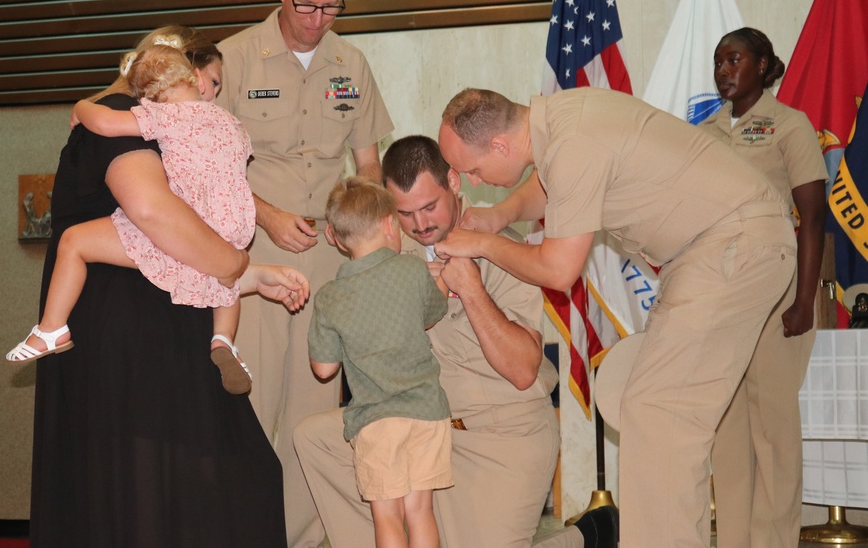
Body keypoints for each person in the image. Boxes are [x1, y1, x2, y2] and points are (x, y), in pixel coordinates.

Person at [436, 87, 796, 548]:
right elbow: (549, 185)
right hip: (716, 248)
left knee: (660, 415)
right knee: (645, 405)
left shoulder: (572, 143)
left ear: (500, 146)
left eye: (472, 170)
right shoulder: (561, 122)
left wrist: (484, 244)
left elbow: (558, 271)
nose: (472, 181)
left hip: (734, 243)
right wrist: (498, 217)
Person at [28, 25, 304, 547]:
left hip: (140, 322)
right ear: (181, 70)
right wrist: (235, 262)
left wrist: (250, 276)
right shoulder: (129, 119)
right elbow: (154, 215)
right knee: (161, 492)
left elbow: (172, 248)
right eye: (211, 82)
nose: (210, 97)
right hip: (136, 335)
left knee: (167, 490)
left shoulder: (148, 123)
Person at [294, 135, 618, 548]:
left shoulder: (503, 248)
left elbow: (523, 372)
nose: (420, 224)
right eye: (405, 213)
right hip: (419, 429)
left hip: (500, 436)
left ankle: (590, 535)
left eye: (430, 206)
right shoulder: (390, 254)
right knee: (316, 438)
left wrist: (471, 289)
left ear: (453, 182)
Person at [216, 0, 394, 546]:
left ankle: (301, 539)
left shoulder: (352, 65)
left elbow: (368, 165)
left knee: (313, 411)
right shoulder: (234, 60)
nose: (318, 20)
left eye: (331, 6)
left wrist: (365, 238)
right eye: (307, 5)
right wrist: (265, 214)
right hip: (253, 256)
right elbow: (205, 171)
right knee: (250, 401)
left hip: (328, 258)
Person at [7, 40, 258, 393]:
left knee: (74, 242)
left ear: (149, 99)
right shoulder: (231, 122)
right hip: (230, 223)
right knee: (225, 283)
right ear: (198, 80)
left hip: (185, 224)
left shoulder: (168, 116)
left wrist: (82, 106)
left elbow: (106, 123)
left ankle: (51, 328)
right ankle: (223, 339)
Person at [701, 27, 826, 547]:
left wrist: (804, 301)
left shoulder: (789, 125)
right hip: (723, 296)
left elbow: (813, 218)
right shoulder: (704, 132)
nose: (724, 71)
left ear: (762, 65)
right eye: (718, 62)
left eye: (734, 60)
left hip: (778, 294)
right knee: (728, 431)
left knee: (773, 430)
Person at [308, 175, 452, 548]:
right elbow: (433, 313)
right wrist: (443, 283)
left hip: (376, 421)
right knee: (420, 511)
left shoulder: (331, 297)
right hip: (427, 411)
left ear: (335, 238)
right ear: (390, 224)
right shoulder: (411, 270)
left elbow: (324, 369)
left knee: (387, 515)